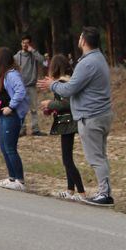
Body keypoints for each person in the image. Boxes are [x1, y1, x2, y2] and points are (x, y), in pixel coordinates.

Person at [37, 27, 114, 206]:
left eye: (80, 37)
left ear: (84, 41)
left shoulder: (86, 63)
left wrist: (52, 85)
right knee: (100, 156)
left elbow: (69, 89)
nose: (79, 39)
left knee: (95, 158)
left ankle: (105, 194)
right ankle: (105, 190)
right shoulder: (99, 57)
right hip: (102, 113)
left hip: (91, 116)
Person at [41, 54, 85, 200]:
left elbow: (67, 104)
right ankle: (70, 190)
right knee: (67, 158)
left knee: (67, 159)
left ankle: (82, 192)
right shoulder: (66, 81)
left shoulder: (63, 82)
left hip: (68, 123)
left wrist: (50, 104)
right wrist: (51, 109)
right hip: (65, 122)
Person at [0, 47, 28, 190]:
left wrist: (11, 107)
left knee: (10, 148)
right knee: (4, 147)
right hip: (3, 115)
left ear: (0, 61)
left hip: (12, 116)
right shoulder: (4, 75)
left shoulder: (12, 75)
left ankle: (20, 180)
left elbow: (21, 91)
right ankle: (12, 178)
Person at [13, 34, 46, 136]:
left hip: (31, 85)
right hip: (20, 87)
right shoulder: (16, 56)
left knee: (33, 109)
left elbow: (44, 62)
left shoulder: (33, 55)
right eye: (23, 43)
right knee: (21, 109)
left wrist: (33, 51)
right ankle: (22, 129)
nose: (25, 45)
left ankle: (35, 129)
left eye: (27, 43)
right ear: (21, 43)